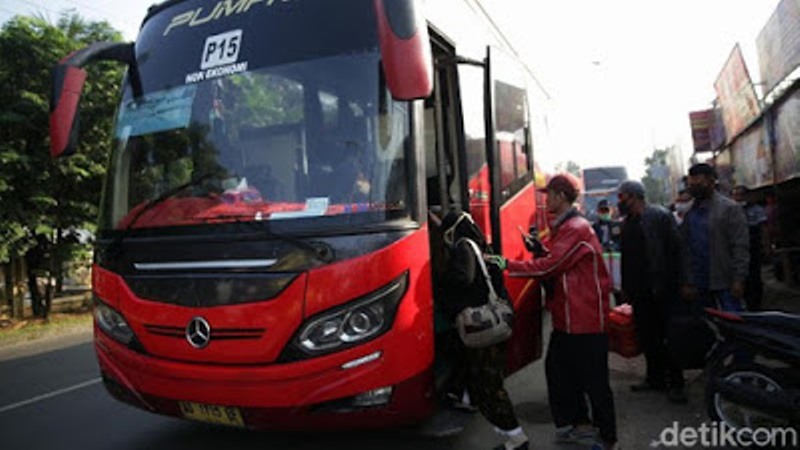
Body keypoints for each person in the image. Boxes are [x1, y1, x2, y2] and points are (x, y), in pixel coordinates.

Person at [486, 174, 617, 450]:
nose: (546, 201)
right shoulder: (568, 227)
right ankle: (575, 425)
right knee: (559, 373)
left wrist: (505, 264)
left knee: (594, 382)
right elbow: (557, 259)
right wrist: (539, 248)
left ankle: (607, 438)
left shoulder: (576, 228)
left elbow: (550, 267)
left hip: (586, 320)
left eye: (549, 195)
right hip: (568, 319)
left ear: (560, 195)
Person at [439, 210, 529, 450]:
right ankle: (513, 437)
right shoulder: (482, 248)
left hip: (483, 328)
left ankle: (518, 439)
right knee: (488, 384)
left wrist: (438, 282)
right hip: (495, 324)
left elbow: (462, 280)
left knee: (489, 388)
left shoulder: (463, 248)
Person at [617, 180, 686, 403]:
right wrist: (625, 289)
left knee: (669, 338)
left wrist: (682, 283)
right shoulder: (627, 223)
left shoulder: (659, 216)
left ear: (634, 196)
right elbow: (626, 259)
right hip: (639, 292)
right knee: (648, 337)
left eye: (623, 197)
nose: (620, 202)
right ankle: (654, 378)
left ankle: (676, 384)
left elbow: (677, 252)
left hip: (663, 289)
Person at [680, 163, 749, 312]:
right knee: (707, 327)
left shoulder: (730, 209)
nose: (694, 187)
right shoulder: (688, 212)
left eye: (698, 183)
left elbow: (740, 246)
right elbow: (685, 248)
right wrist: (687, 280)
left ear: (711, 181)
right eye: (691, 184)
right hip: (699, 283)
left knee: (733, 325)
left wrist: (739, 279)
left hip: (725, 280)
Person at [732, 186, 768, 311]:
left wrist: (766, 246)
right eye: (735, 195)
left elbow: (763, 229)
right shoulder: (731, 211)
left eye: (740, 195)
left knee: (754, 274)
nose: (738, 198)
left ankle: (756, 304)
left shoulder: (756, 210)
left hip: (753, 246)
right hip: (736, 248)